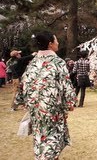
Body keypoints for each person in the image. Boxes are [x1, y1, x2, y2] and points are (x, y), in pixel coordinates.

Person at [15, 31, 77, 159]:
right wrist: (70, 102)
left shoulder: (32, 62)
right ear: (50, 44)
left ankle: (41, 156)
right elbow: (65, 83)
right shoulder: (57, 62)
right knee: (53, 136)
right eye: (56, 40)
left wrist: (21, 100)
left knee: (40, 135)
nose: (58, 42)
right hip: (52, 105)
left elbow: (24, 81)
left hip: (35, 106)